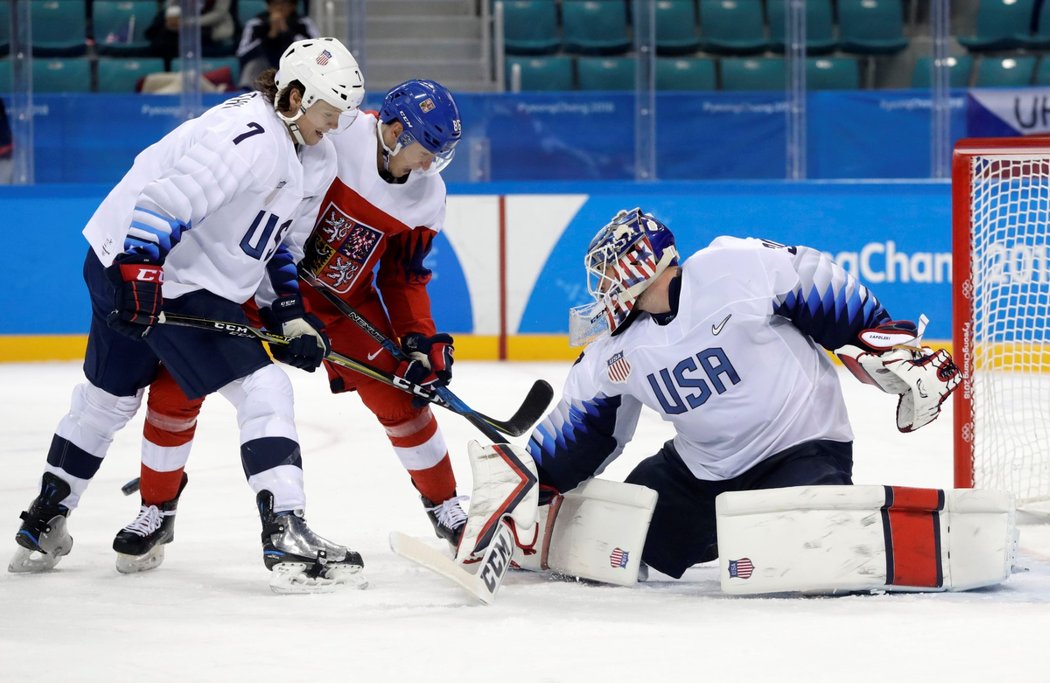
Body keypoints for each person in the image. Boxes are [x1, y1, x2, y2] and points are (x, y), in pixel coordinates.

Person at [10, 38, 369, 593]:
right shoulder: (249, 136)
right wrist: (140, 273)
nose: (335, 126)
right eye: (328, 113)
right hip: (158, 272)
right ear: (295, 95)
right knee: (263, 391)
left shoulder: (308, 153)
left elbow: (277, 244)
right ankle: (286, 531)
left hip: (124, 262)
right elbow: (165, 202)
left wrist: (291, 314)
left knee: (103, 403)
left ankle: (44, 521)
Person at [112, 79, 467, 572]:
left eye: (439, 153)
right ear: (392, 130)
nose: (430, 164)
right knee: (177, 386)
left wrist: (419, 339)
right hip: (262, 289)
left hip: (345, 306)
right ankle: (156, 508)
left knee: (400, 398)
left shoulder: (428, 197)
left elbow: (403, 276)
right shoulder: (336, 136)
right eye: (425, 149)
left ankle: (448, 512)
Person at [522, 208, 961, 580]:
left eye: (609, 275)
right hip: (700, 471)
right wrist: (528, 484)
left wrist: (875, 337)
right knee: (618, 537)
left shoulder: (730, 268)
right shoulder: (613, 351)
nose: (603, 291)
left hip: (801, 447)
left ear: (641, 266)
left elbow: (813, 282)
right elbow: (581, 433)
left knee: (799, 558)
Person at [236, 0, 320, 89]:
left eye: (284, 3)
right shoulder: (256, 24)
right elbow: (242, 53)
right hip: (264, 64)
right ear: (268, 6)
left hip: (293, 64)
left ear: (293, 6)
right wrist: (271, 34)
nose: (279, 8)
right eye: (275, 4)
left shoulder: (304, 22)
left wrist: (287, 32)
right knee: (252, 66)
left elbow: (315, 49)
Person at [146, 0, 237, 70]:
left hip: (211, 27)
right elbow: (173, 7)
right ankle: (168, 72)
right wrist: (176, 20)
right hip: (183, 26)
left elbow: (219, 14)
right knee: (163, 41)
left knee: (187, 41)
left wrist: (190, 22)